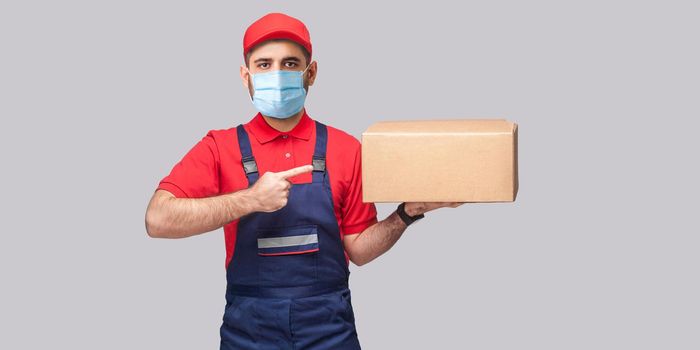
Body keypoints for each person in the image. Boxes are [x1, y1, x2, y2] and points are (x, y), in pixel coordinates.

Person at [145, 12, 464, 350]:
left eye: (290, 63)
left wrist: (407, 213)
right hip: (250, 332)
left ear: (310, 73)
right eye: (264, 65)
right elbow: (158, 219)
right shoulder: (218, 147)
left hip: (329, 330)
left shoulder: (346, 149)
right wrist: (250, 200)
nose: (277, 74)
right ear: (246, 76)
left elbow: (359, 250)